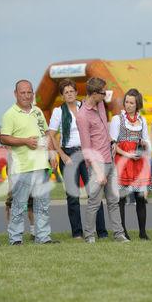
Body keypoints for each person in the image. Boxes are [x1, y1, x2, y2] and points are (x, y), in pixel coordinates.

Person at [48, 78, 108, 239]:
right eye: (66, 92)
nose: (69, 94)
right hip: (69, 154)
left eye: (71, 91)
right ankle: (77, 232)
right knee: (73, 196)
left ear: (76, 92)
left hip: (87, 153)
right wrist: (62, 155)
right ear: (62, 96)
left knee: (94, 193)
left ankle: (101, 231)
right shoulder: (58, 112)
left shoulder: (86, 106)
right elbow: (51, 135)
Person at [0, 80, 58, 245]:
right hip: (22, 167)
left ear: (33, 93)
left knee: (43, 205)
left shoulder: (38, 111)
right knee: (19, 205)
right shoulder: (9, 114)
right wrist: (25, 141)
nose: (26, 95)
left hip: (41, 165)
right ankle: (15, 238)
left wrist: (52, 154)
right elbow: (4, 137)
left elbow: (47, 133)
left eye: (29, 92)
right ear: (15, 94)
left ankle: (43, 237)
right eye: (23, 92)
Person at [75, 77, 129, 243]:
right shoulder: (82, 116)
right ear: (93, 93)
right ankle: (89, 236)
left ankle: (118, 234)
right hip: (96, 163)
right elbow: (86, 148)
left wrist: (111, 141)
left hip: (109, 158)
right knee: (94, 203)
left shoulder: (100, 104)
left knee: (114, 200)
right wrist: (99, 173)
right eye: (103, 92)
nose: (105, 95)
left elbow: (103, 131)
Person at [109, 88, 152, 240]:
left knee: (140, 198)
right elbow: (113, 144)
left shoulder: (142, 120)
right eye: (126, 102)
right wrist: (128, 155)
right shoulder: (117, 119)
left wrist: (143, 144)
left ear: (137, 104)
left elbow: (147, 141)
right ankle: (123, 231)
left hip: (138, 162)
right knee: (121, 198)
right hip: (123, 161)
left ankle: (143, 232)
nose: (128, 105)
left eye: (131, 103)